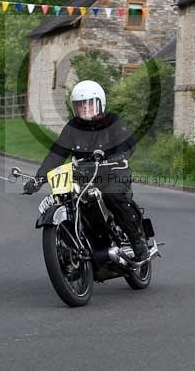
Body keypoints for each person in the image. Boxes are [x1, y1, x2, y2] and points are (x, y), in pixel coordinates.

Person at [22, 80, 149, 261]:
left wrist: (119, 156)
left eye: (89, 103)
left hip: (114, 171)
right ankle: (77, 246)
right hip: (84, 175)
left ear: (99, 103)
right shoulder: (73, 127)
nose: (85, 108)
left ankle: (137, 242)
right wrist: (39, 179)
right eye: (81, 105)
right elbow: (57, 154)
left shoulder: (112, 120)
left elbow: (128, 141)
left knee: (112, 195)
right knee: (69, 198)